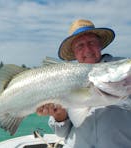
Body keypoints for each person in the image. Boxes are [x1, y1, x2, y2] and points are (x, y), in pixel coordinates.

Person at [36, 19, 131, 148]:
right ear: (74, 53)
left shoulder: (123, 68)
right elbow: (62, 133)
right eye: (80, 46)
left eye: (91, 42)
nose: (87, 50)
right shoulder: (62, 77)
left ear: (100, 45)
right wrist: (59, 116)